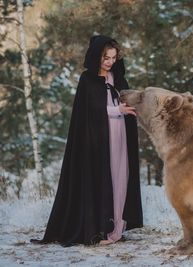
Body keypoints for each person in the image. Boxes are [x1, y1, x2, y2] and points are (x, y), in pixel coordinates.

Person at [31, 35, 143, 246]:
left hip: (120, 134)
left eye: (113, 57)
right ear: (96, 57)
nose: (110, 62)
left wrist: (131, 106)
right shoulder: (87, 79)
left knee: (120, 177)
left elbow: (126, 98)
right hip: (98, 140)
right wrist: (116, 109)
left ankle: (116, 229)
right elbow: (89, 112)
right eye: (105, 58)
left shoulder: (117, 77)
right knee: (102, 178)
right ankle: (98, 231)